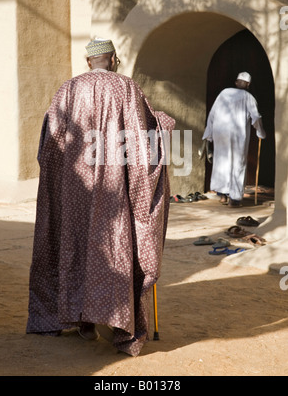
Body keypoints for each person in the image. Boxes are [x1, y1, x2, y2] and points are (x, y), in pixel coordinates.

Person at [26, 38, 175, 357]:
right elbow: (144, 136)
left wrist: (59, 177)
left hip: (76, 185)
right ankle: (119, 319)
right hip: (114, 187)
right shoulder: (127, 88)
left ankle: (84, 323)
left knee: (77, 245)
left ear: (88, 60)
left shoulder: (69, 89)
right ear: (113, 59)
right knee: (115, 245)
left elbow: (51, 139)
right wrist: (162, 125)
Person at [202, 72, 266, 207]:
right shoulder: (249, 97)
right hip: (238, 135)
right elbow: (256, 117)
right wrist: (260, 132)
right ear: (248, 85)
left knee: (222, 162)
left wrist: (209, 133)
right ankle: (234, 199)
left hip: (221, 134)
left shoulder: (224, 93)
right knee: (238, 163)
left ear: (237, 82)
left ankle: (223, 196)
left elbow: (212, 114)